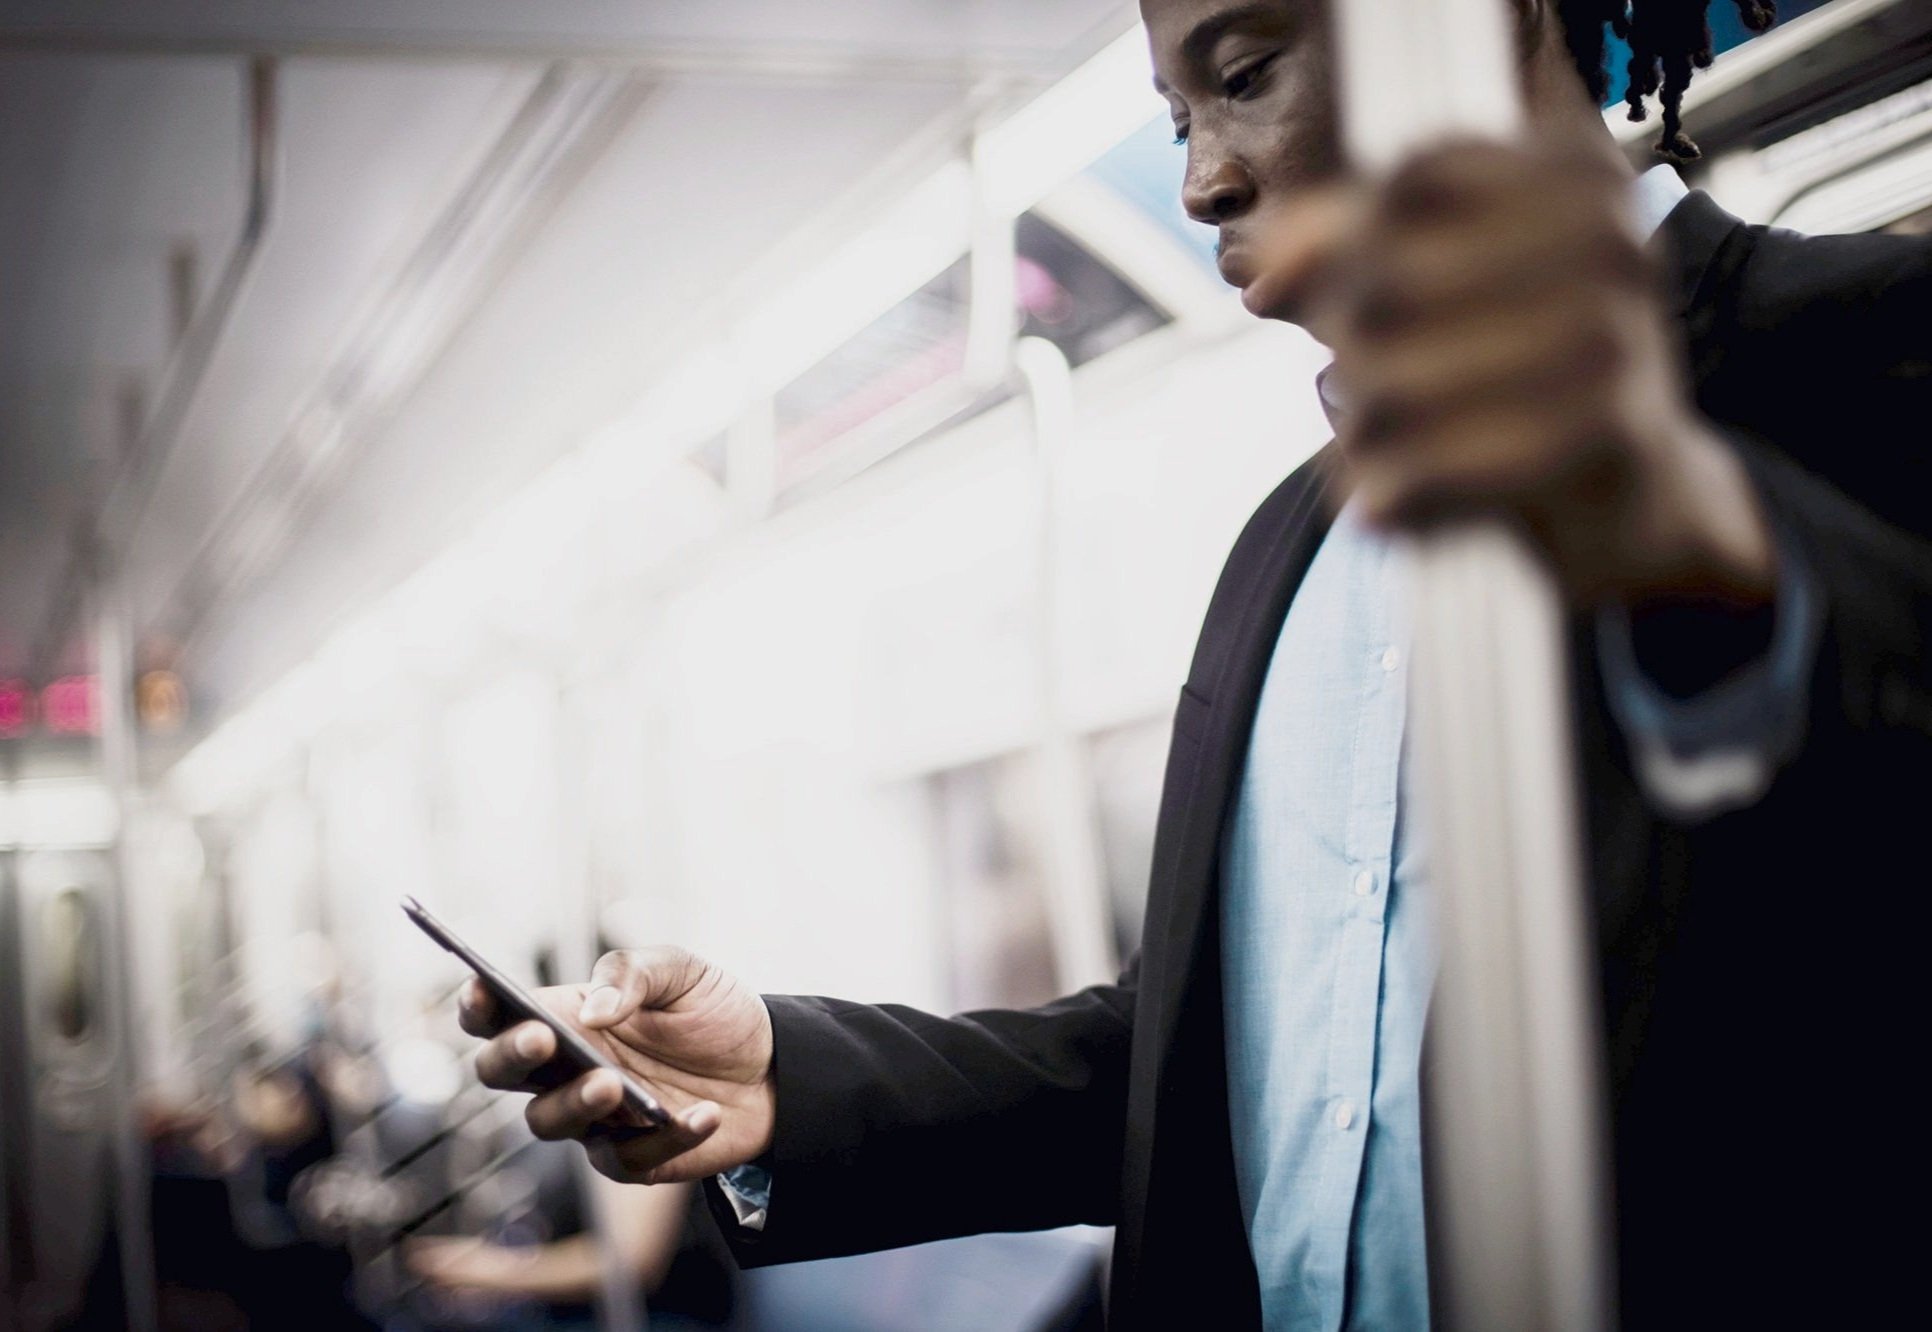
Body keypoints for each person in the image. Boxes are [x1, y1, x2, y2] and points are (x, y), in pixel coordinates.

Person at [459, 0, 1932, 1326]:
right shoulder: (1285, 553)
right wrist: (784, 1079)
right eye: (1177, 118)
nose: (1200, 181)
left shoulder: (1870, 349)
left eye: (1246, 74)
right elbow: (1205, 1070)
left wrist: (1706, 557)